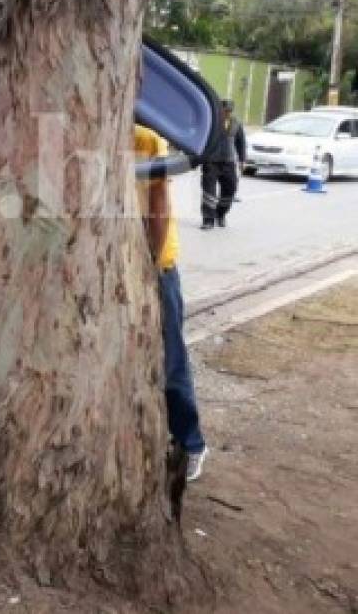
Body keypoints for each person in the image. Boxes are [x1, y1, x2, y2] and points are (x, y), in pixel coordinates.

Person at [135, 125, 208, 481]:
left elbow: (159, 205)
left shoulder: (146, 139)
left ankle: (191, 443)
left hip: (155, 266)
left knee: (171, 359)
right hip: (117, 270)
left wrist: (150, 264)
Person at [200, 99, 246, 229]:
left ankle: (220, 214)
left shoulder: (236, 123)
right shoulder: (210, 121)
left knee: (230, 190)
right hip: (211, 162)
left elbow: (241, 142)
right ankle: (208, 220)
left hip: (229, 162)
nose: (226, 113)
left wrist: (242, 160)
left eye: (229, 111)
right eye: (224, 111)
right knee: (209, 192)